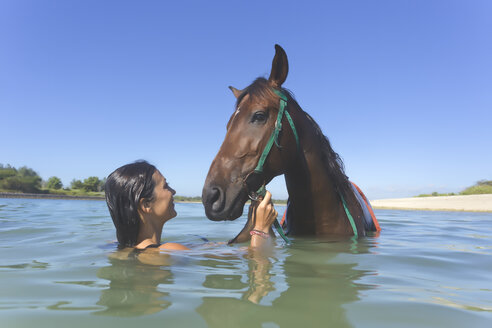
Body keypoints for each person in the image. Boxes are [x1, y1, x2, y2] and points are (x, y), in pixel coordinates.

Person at [104, 160, 277, 253]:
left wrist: (251, 225)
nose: (173, 191)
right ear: (146, 204)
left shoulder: (122, 247)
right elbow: (257, 261)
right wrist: (261, 228)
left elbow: (223, 248)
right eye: (166, 186)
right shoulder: (168, 250)